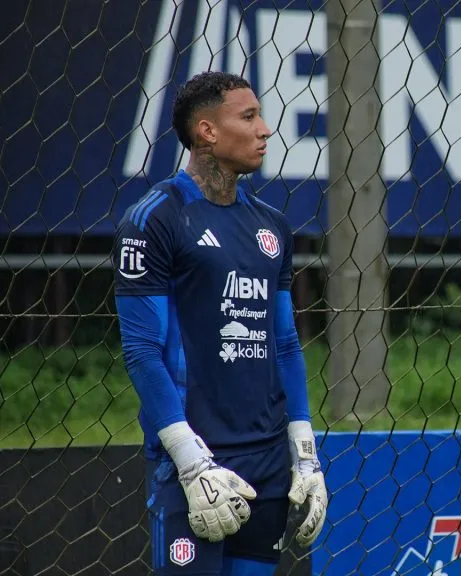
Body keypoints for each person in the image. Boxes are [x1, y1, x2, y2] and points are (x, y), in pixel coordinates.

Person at [113, 71, 327, 575]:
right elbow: (142, 352)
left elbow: (286, 345)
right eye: (249, 116)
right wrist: (190, 463)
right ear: (207, 131)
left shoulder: (271, 226)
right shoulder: (155, 219)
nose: (265, 130)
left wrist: (304, 454)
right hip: (194, 463)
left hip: (269, 465)